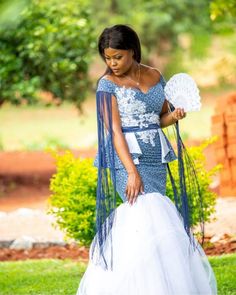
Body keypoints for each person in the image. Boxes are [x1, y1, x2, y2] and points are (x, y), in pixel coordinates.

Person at [76, 24, 217, 295]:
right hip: (125, 159)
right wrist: (131, 172)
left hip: (155, 156)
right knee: (142, 214)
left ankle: (166, 284)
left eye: (118, 56)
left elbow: (160, 118)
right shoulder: (107, 85)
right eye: (107, 58)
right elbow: (115, 131)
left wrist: (173, 117)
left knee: (158, 218)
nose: (112, 63)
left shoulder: (155, 75)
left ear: (132, 51)